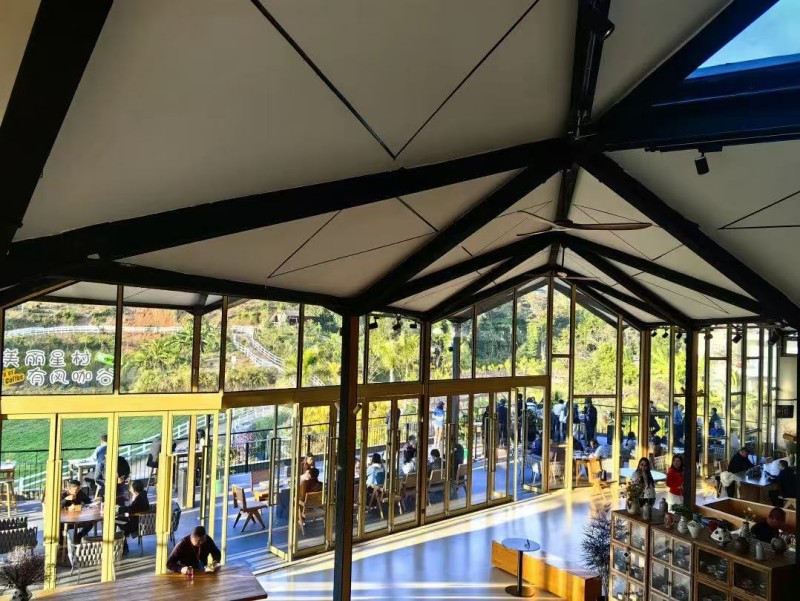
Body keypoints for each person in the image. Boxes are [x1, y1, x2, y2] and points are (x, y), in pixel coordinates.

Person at [116, 480, 150, 555]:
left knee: (115, 521)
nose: (129, 488)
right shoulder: (142, 494)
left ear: (134, 489)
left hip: (135, 524)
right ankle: (123, 544)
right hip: (138, 520)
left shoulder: (139, 499)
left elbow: (130, 509)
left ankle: (123, 546)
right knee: (118, 519)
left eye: (130, 487)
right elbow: (132, 508)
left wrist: (118, 509)